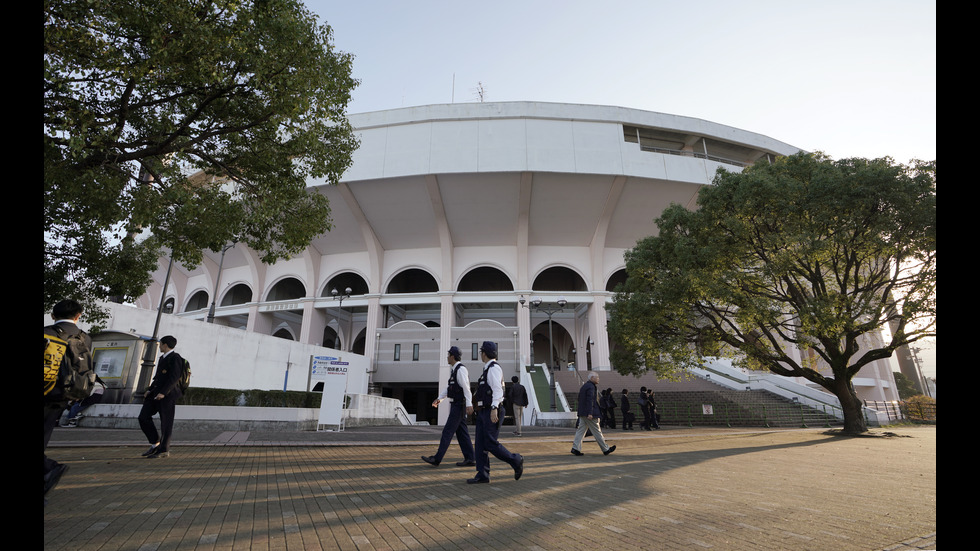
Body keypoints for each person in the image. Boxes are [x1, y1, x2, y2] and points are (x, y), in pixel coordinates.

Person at [44, 299, 94, 500]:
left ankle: (50, 467)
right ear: (78, 316)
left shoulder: (47, 332)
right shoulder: (85, 338)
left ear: (53, 315)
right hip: (65, 394)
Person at [467, 341, 524, 484]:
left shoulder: (493, 368)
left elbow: (498, 391)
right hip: (483, 411)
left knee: (490, 443)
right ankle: (482, 474)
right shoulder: (487, 369)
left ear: (484, 353)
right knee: (480, 444)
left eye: (481, 352)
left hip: (491, 411)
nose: (480, 354)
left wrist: (494, 408)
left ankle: (515, 460)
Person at [422, 346, 476, 467]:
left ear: (452, 356)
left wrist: (469, 404)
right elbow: (449, 388)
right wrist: (439, 399)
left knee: (447, 432)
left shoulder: (461, 370)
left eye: (448, 355)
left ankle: (437, 458)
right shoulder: (454, 371)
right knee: (462, 433)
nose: (447, 357)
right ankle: (470, 458)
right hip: (457, 404)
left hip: (459, 405)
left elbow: (466, 388)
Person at [138, 335, 184, 459]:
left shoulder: (175, 358)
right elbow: (158, 377)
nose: (159, 347)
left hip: (167, 396)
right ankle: (155, 443)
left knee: (166, 423)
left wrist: (164, 392)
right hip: (155, 394)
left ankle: (164, 450)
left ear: (165, 345)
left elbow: (174, 378)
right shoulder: (163, 358)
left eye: (160, 344)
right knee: (143, 417)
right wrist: (150, 389)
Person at [570, 372, 616, 456]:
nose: (598, 379)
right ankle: (605, 449)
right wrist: (590, 413)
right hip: (590, 413)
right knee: (597, 431)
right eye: (597, 377)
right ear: (591, 378)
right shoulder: (591, 387)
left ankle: (575, 448)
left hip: (583, 413)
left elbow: (580, 398)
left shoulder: (584, 386)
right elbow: (590, 400)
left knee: (580, 431)